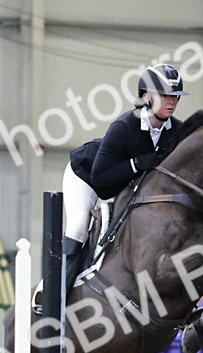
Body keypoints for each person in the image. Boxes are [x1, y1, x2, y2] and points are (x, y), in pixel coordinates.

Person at [62, 62, 189, 286]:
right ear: (146, 96)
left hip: (125, 187)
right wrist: (135, 164)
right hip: (87, 175)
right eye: (164, 95)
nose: (172, 102)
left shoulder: (176, 132)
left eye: (175, 96)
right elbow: (100, 180)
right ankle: (53, 292)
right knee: (79, 226)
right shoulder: (124, 126)